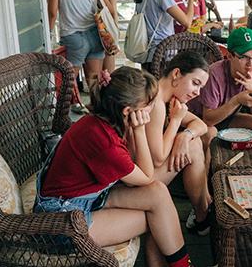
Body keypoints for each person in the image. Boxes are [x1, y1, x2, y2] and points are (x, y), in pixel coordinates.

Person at [35, 67, 194, 267]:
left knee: (158, 194)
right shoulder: (104, 141)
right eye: (149, 104)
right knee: (159, 218)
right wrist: (140, 129)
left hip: (87, 197)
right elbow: (146, 176)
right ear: (128, 111)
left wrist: (135, 130)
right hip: (61, 222)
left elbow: (139, 171)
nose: (152, 109)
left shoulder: (106, 121)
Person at [144, 51, 212, 236]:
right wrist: (176, 122)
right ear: (176, 74)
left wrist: (184, 136)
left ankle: (202, 212)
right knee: (194, 146)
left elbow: (201, 125)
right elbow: (157, 160)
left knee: (193, 140)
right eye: (195, 83)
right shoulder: (156, 103)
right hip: (138, 180)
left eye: (201, 87)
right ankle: (202, 215)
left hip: (146, 173)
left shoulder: (168, 100)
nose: (197, 92)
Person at [48, 0, 117, 110]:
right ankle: (97, 112)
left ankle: (64, 118)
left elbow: (52, 13)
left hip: (73, 37)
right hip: (95, 36)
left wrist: (48, 35)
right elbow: (109, 8)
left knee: (68, 82)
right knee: (94, 83)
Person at [188, 28, 252, 145]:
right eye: (244, 57)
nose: (251, 64)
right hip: (197, 119)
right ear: (229, 56)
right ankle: (213, 163)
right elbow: (208, 120)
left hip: (228, 118)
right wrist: (237, 100)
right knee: (211, 133)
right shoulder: (214, 73)